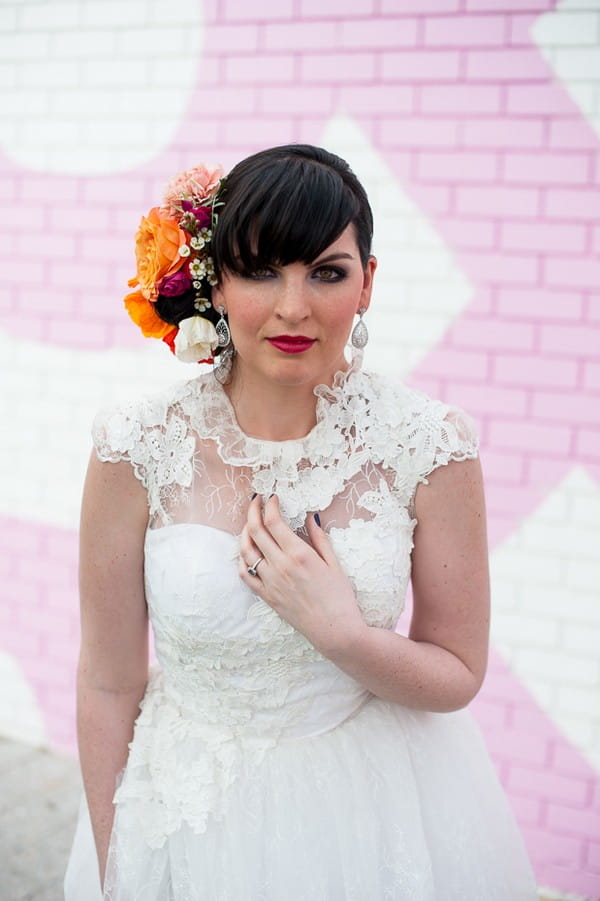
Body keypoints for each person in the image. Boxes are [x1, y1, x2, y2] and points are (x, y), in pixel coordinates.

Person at [64, 144, 537, 900]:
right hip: (185, 811)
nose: (294, 306)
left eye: (326, 271)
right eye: (260, 269)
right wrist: (117, 867)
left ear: (368, 283)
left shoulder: (431, 444)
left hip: (369, 811)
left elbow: (458, 672)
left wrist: (343, 634)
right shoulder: (135, 445)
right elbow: (109, 680)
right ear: (214, 280)